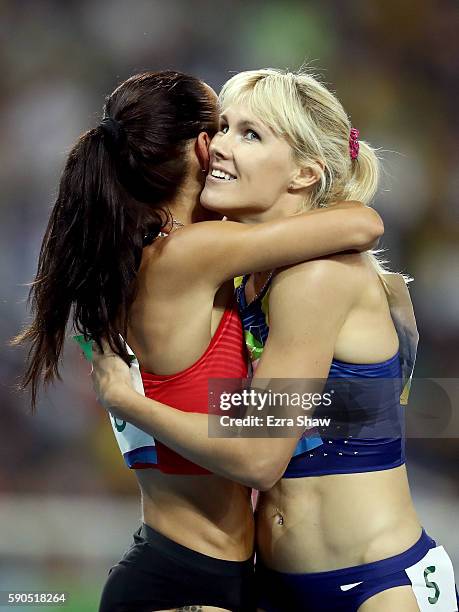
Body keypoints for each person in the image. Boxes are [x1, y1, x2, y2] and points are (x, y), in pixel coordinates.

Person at [13, 70, 383, 612]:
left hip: (176, 565)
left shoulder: (133, 255)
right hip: (190, 581)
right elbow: (361, 225)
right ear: (203, 147)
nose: (230, 145)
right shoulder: (193, 253)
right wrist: (130, 405)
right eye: (223, 128)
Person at [91, 69, 458, 612]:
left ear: (305, 173)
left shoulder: (317, 277)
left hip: (375, 586)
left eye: (250, 134)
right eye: (222, 128)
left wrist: (129, 403)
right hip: (279, 586)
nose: (217, 147)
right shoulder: (246, 276)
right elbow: (261, 414)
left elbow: (260, 456)